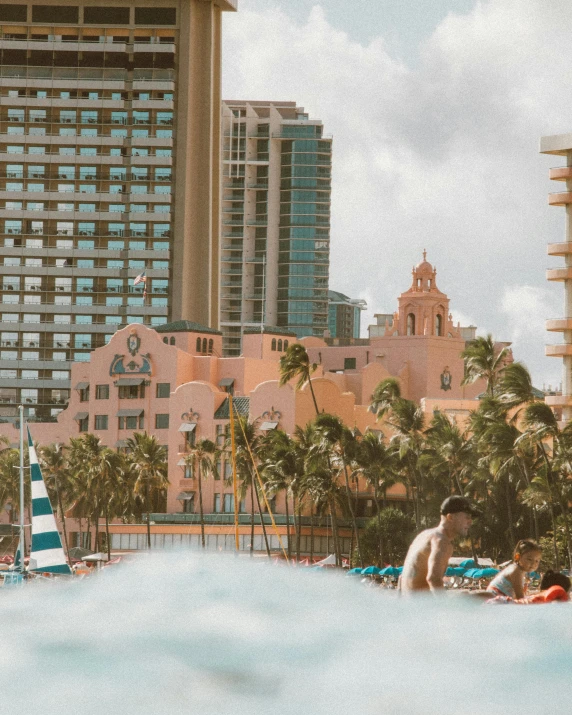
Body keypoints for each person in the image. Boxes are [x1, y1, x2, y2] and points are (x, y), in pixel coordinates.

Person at [399, 495, 478, 594]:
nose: (470, 522)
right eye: (467, 517)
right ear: (450, 517)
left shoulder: (423, 535)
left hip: (409, 604)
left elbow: (401, 577)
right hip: (421, 606)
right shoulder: (441, 541)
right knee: (484, 596)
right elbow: (433, 578)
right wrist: (443, 607)